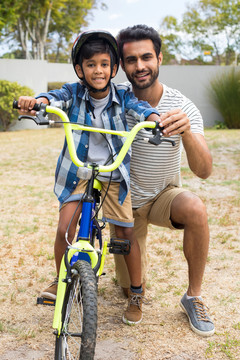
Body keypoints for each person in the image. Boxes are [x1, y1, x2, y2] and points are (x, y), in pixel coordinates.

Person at [17, 30, 160, 324]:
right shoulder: (73, 92)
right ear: (80, 69)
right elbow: (54, 97)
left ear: (114, 68)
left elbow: (141, 107)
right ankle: (61, 281)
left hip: (113, 172)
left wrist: (154, 120)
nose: (98, 70)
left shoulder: (122, 95)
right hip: (79, 171)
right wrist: (37, 102)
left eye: (105, 64)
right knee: (64, 231)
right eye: (91, 64)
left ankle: (136, 292)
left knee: (125, 234)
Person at [111, 24, 215, 336]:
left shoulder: (182, 106)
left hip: (162, 197)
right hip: (124, 202)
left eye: (146, 57)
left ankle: (193, 295)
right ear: (122, 65)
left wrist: (185, 133)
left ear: (159, 58)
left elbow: (205, 170)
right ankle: (130, 284)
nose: (140, 66)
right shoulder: (116, 102)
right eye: (131, 60)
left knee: (195, 208)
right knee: (126, 287)